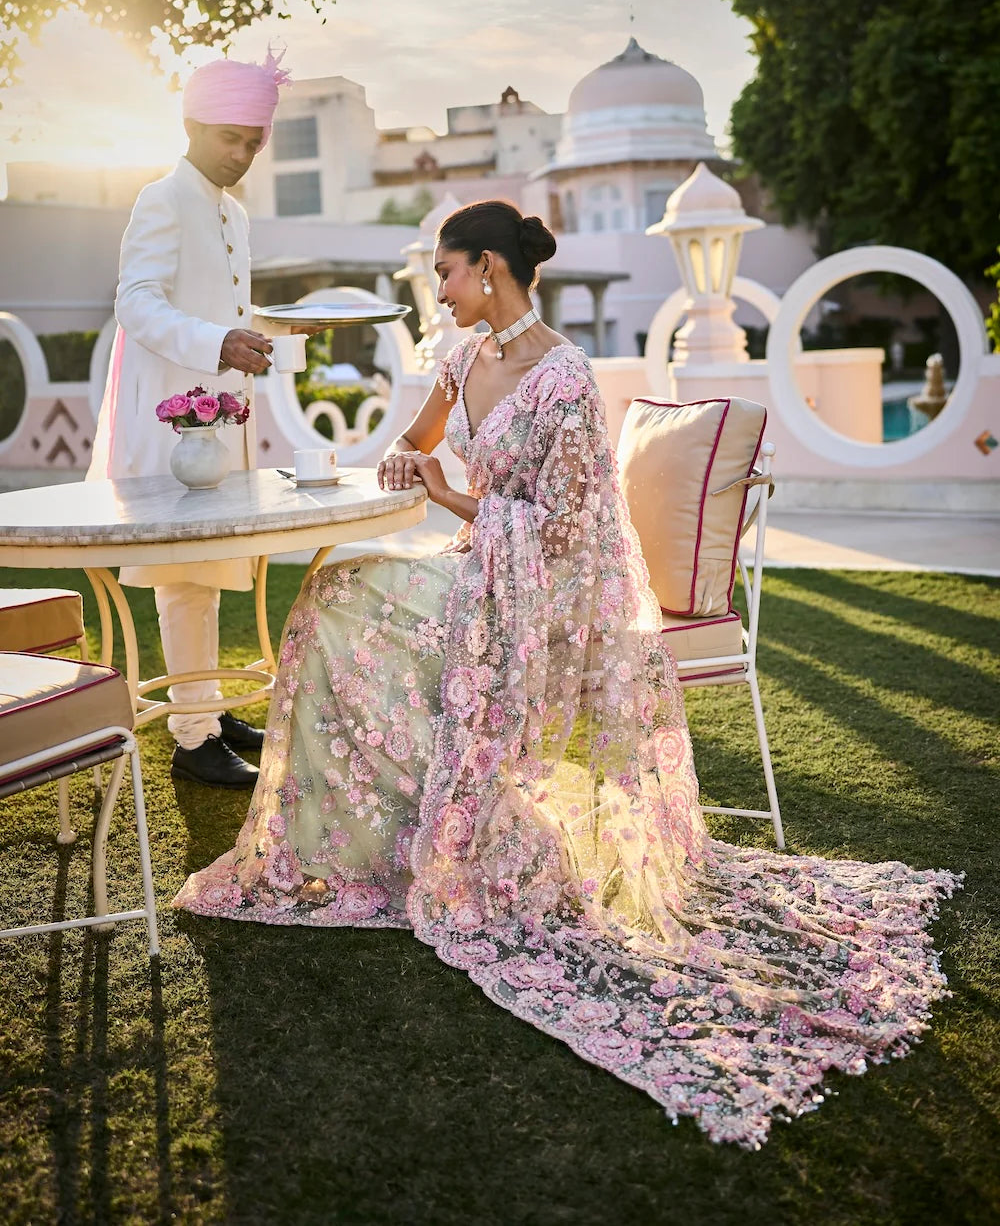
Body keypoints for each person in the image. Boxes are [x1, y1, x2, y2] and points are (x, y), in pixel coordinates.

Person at [175, 200, 960, 1148]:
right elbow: (414, 442)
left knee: (341, 603)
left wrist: (450, 495)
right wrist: (402, 464)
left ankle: (424, 823)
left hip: (542, 596)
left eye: (447, 273)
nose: (440, 290)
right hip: (480, 566)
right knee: (334, 587)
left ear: (490, 268)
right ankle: (362, 832)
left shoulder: (565, 378)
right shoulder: (462, 358)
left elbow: (563, 529)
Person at [89, 50, 290, 787]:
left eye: (253, 142)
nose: (241, 154)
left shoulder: (233, 211)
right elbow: (136, 301)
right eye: (230, 138)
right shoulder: (162, 198)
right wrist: (216, 344)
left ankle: (206, 708)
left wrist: (269, 331)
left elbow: (219, 303)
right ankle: (193, 737)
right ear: (192, 126)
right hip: (171, 417)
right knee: (182, 573)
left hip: (220, 418)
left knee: (207, 568)